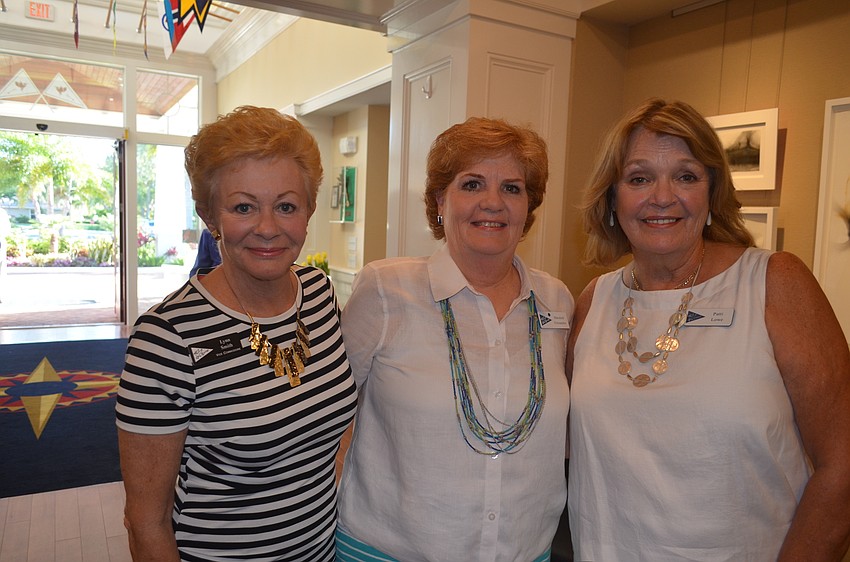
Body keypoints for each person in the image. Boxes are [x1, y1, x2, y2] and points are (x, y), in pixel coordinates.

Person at [567, 98, 850, 560]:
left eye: (686, 176)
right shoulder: (592, 303)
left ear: (711, 193)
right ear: (613, 199)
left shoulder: (775, 283)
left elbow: (843, 466)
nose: (662, 196)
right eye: (639, 178)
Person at [115, 106, 357, 561]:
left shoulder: (321, 295)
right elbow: (145, 521)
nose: (268, 228)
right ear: (211, 216)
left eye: (286, 206)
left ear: (307, 211)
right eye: (244, 207)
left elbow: (334, 418)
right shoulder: (166, 338)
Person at [335, 117, 575, 561]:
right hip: (388, 551)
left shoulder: (556, 300)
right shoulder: (386, 291)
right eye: (472, 184)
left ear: (528, 209)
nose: (493, 203)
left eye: (512, 188)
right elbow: (328, 419)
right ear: (439, 202)